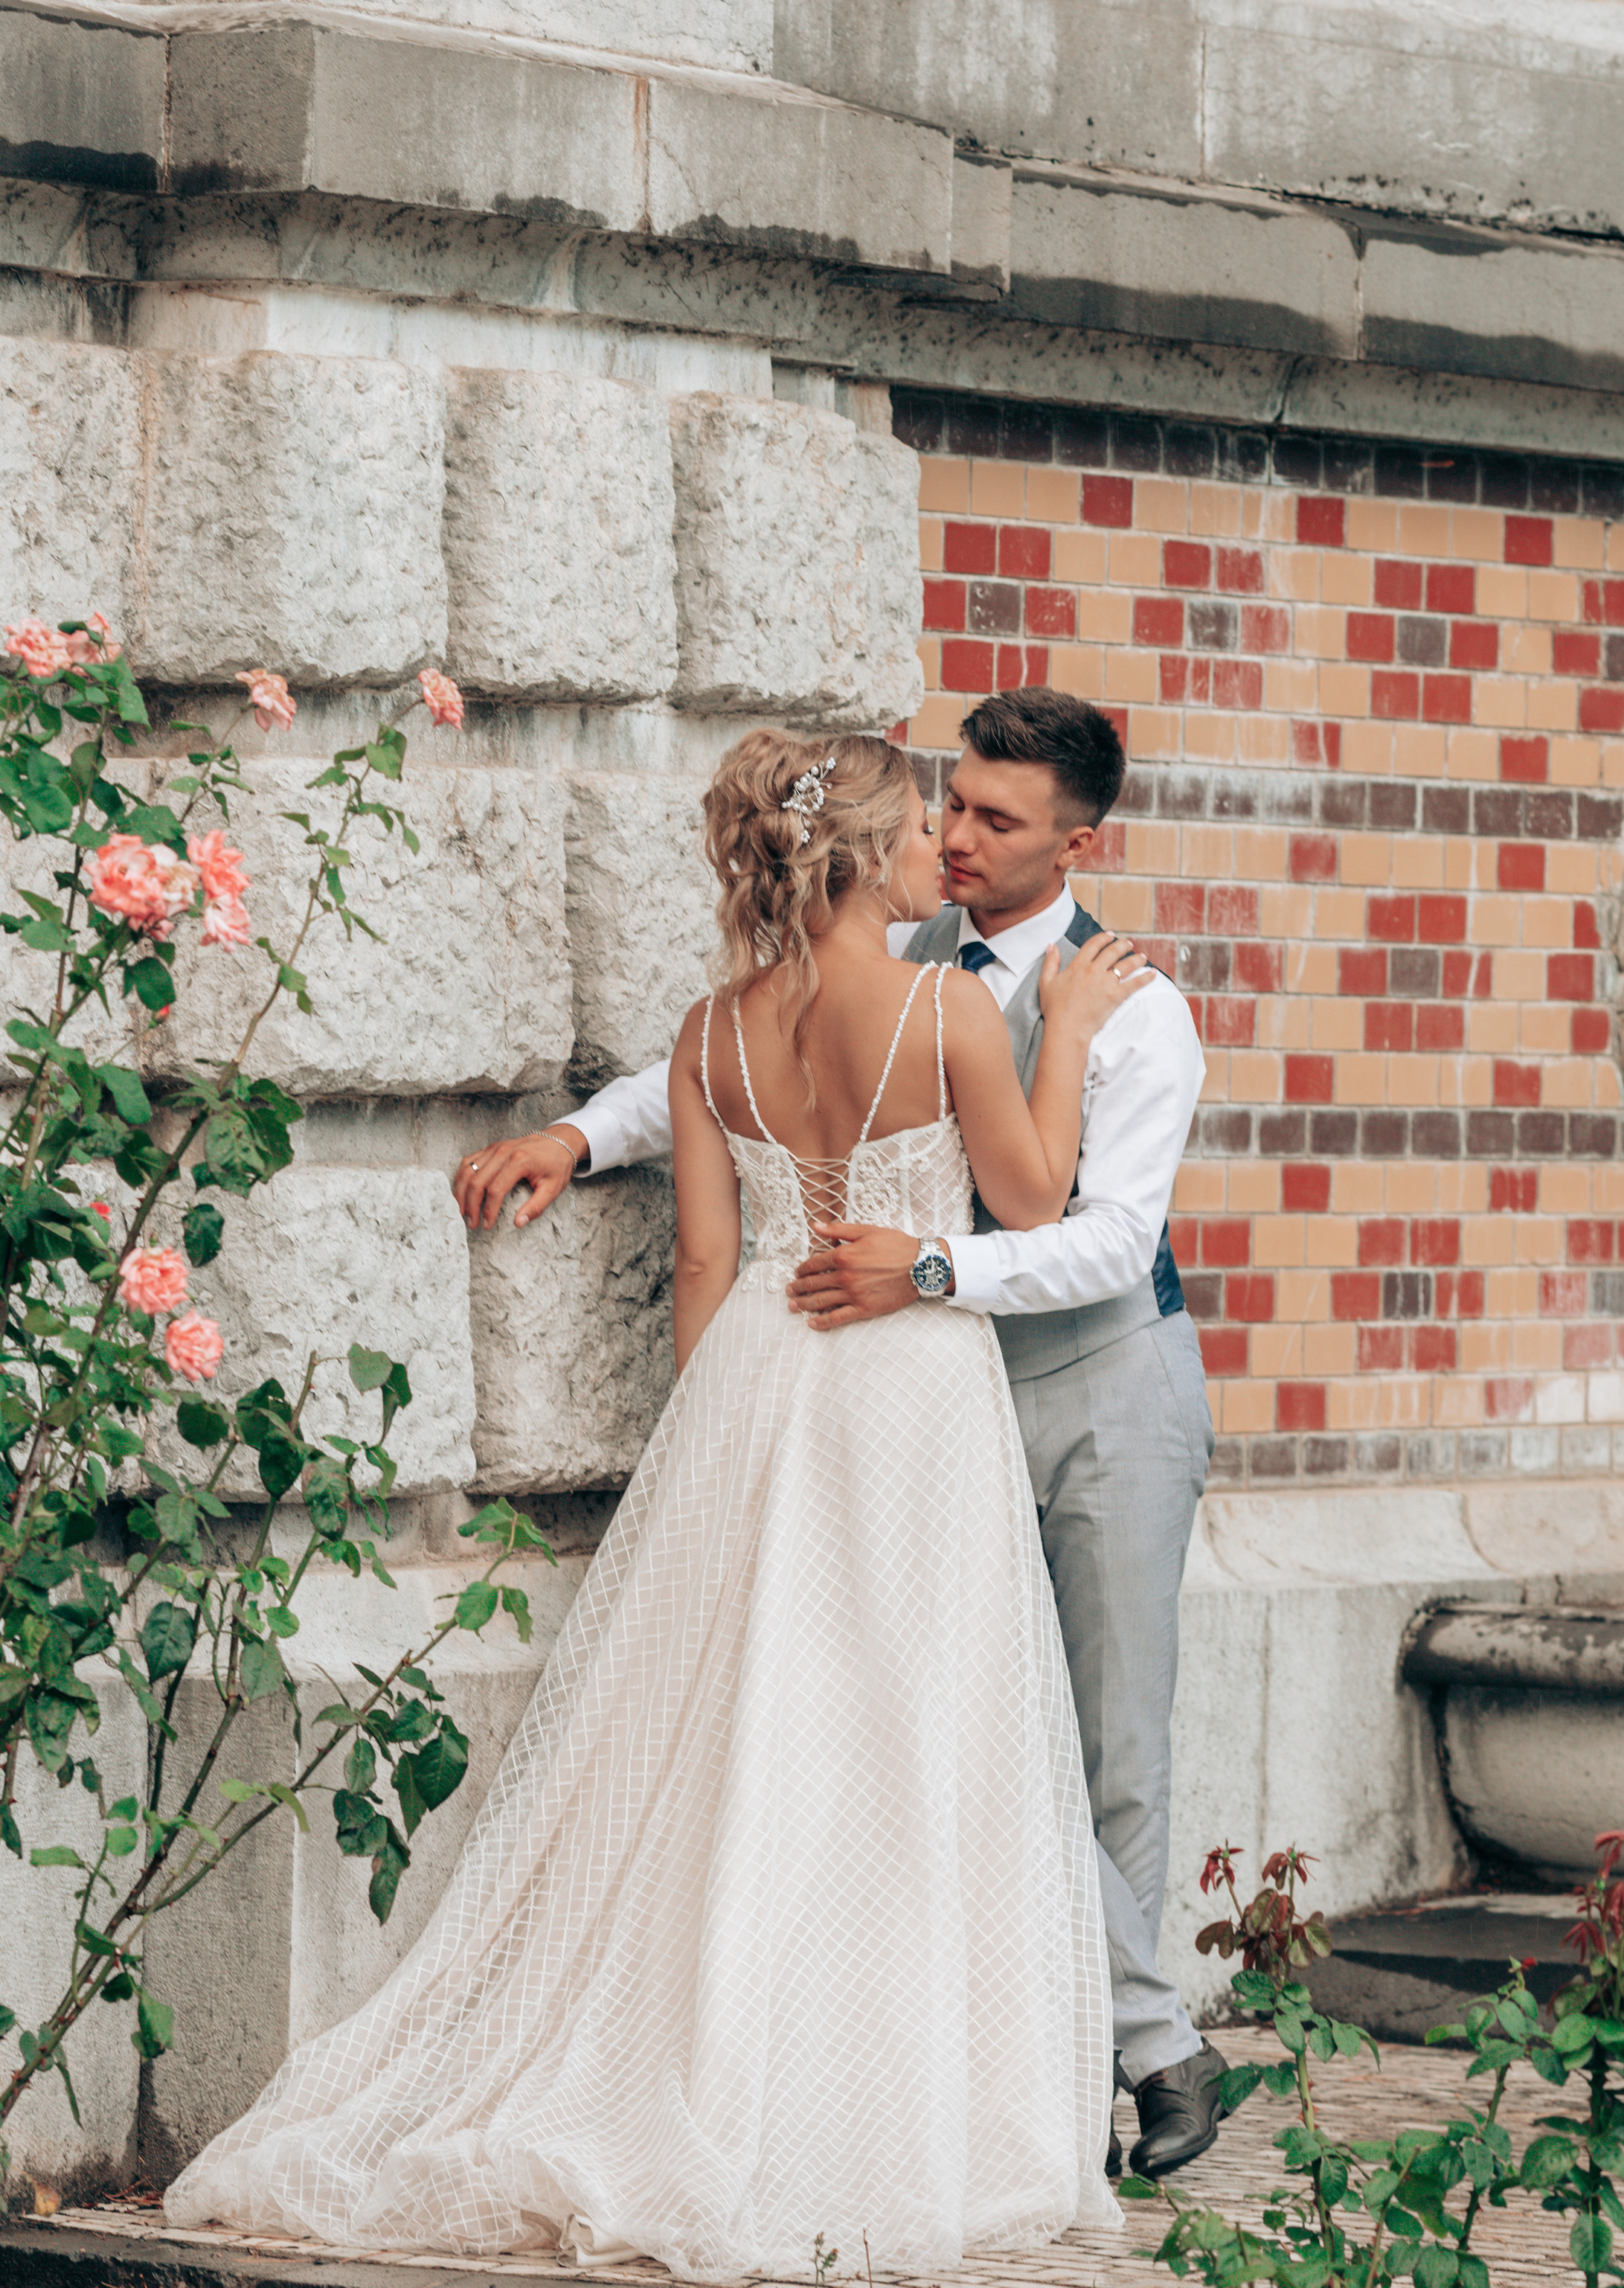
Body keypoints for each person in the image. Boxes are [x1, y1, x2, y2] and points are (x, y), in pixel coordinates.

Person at [164, 730, 1142, 2279]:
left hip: (758, 1368)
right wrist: (1069, 1033)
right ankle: (885, 2092)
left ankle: (712, 2032)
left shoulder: (707, 1033)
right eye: (914, 831)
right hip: (903, 1382)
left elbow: (702, 1263)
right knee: (906, 1723)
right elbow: (1031, 1202)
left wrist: (714, 1447)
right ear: (863, 855)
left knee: (745, 1725)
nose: (933, 855)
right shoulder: (952, 1007)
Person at [459, 687, 1224, 2186]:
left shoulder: (1129, 1003)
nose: (957, 834)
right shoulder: (913, 965)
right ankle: (1127, 2057)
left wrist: (925, 1270)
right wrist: (570, 1134)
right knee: (940, 1731)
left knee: (1100, 1750)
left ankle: (1105, 2053)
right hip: (906, 1388)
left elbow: (1105, 1239)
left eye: (995, 819)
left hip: (1094, 1389)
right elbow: (711, 1083)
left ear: (1077, 837)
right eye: (948, 806)